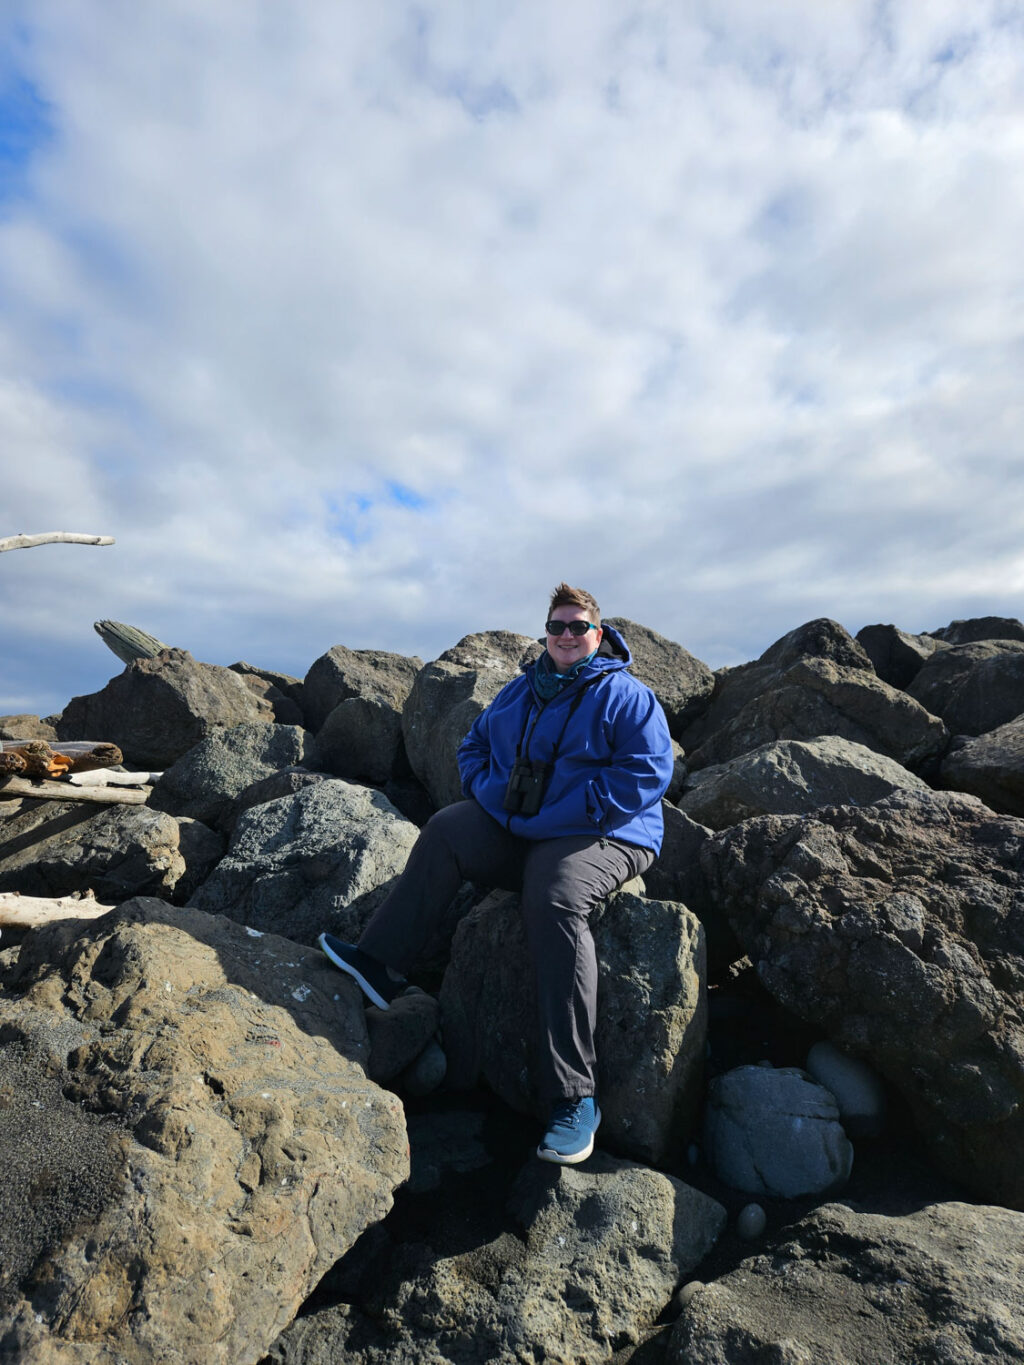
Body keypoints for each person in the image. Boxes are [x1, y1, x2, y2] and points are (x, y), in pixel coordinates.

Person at [319, 582, 674, 1164]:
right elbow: (473, 751)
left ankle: (574, 1097)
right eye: (556, 625)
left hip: (609, 833)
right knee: (449, 828)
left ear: (599, 634)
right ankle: (380, 964)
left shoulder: (626, 697)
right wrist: (496, 801)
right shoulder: (518, 693)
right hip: (527, 828)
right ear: (546, 632)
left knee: (555, 896)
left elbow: (642, 778)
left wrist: (554, 818)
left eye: (578, 626)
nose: (566, 635)